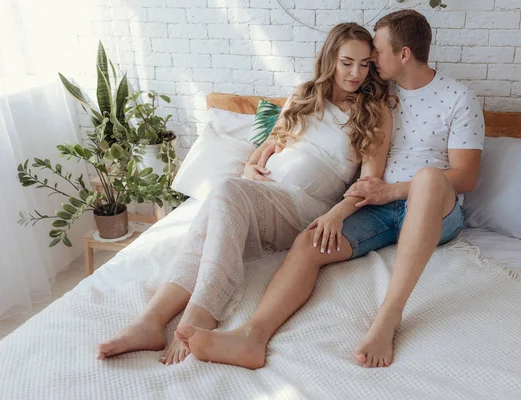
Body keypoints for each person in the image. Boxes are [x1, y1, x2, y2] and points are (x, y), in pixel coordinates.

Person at [174, 10, 484, 370]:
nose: (368, 62)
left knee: (430, 177)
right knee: (312, 238)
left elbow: (465, 177)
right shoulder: (378, 94)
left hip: (433, 208)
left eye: (376, 54)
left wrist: (394, 190)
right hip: (376, 204)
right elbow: (312, 131)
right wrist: (332, 207)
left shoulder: (459, 98)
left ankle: (388, 318)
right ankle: (252, 337)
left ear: (403, 55)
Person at [97, 22, 395, 365]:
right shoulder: (303, 95)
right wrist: (248, 169)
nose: (356, 72)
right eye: (347, 62)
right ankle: (150, 321)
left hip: (307, 208)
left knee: (225, 192)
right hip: (263, 194)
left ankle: (201, 312)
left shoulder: (374, 112)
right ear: (330, 58)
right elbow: (269, 146)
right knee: (215, 214)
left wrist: (335, 215)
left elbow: (369, 184)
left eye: (364, 64)